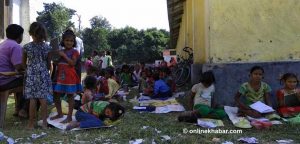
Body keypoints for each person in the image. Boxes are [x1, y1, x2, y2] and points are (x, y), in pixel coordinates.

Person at [23, 22, 52, 129]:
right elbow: (49, 64)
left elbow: (23, 63)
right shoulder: (47, 47)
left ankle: (31, 124)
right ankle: (44, 123)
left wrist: (28, 69)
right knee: (42, 98)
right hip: (43, 73)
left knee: (32, 99)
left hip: (31, 74)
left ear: (30, 33)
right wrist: (44, 70)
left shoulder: (26, 47)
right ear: (44, 34)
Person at [51, 30, 83, 123]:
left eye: (71, 41)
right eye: (67, 40)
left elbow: (73, 63)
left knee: (70, 96)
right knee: (56, 95)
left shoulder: (75, 52)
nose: (69, 42)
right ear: (63, 41)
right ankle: (59, 113)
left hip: (69, 76)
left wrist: (63, 55)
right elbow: (57, 62)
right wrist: (55, 58)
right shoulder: (61, 51)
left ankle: (69, 117)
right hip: (60, 76)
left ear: (74, 42)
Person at [0, 24, 28, 118]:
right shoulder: (15, 46)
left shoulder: (3, 44)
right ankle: (24, 109)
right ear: (20, 35)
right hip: (5, 80)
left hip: (2, 77)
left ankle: (18, 109)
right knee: (32, 81)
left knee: (21, 78)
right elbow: (19, 67)